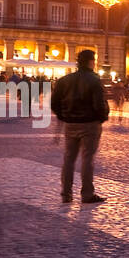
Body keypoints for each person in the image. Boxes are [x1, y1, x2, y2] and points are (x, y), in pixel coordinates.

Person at [51, 49, 111, 204]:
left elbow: (54, 103)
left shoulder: (64, 80)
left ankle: (66, 194)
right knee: (87, 159)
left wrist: (64, 116)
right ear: (91, 61)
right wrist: (101, 118)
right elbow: (99, 104)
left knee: (69, 159)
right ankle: (87, 194)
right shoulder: (94, 80)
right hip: (90, 124)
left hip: (70, 124)